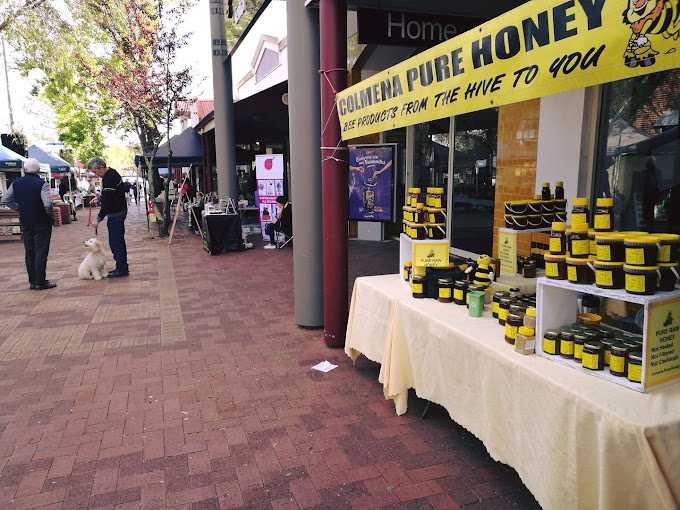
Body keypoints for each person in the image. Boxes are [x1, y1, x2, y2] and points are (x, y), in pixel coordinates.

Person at [0, 158, 56, 290]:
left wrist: (20, 208)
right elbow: (47, 203)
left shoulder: (16, 183)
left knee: (29, 252)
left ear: (25, 169)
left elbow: (5, 200)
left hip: (26, 221)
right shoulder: (42, 183)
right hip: (41, 222)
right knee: (41, 251)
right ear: (38, 170)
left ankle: (32, 281)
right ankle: (40, 281)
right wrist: (49, 214)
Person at [87, 157, 129, 277]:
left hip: (116, 212)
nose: (95, 174)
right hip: (118, 211)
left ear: (101, 168)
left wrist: (98, 219)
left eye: (95, 171)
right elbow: (109, 194)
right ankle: (121, 266)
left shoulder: (110, 177)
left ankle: (122, 268)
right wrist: (99, 198)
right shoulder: (111, 174)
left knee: (116, 242)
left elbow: (109, 201)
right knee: (117, 241)